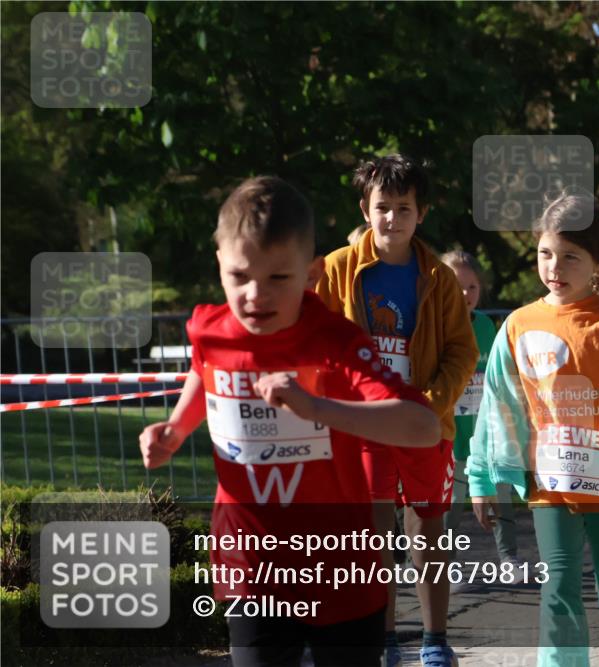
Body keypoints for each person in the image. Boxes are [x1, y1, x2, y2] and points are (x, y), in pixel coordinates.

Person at [138, 175, 441, 667]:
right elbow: (205, 367)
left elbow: (423, 427)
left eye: (278, 278)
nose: (255, 294)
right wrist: (175, 429)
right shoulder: (209, 328)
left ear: (311, 273)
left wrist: (317, 408)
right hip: (250, 565)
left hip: (339, 569)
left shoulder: (337, 342)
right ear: (220, 265)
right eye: (239, 276)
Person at [467, 193, 599, 667]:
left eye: (570, 257)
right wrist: (481, 480)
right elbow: (497, 408)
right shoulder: (518, 326)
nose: (554, 267)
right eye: (545, 253)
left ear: (596, 260)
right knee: (558, 593)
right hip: (551, 490)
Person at [314, 155, 478, 667]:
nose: (392, 218)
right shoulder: (336, 268)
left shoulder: (439, 277)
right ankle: (381, 641)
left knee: (427, 528)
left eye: (404, 208)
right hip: (362, 424)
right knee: (371, 534)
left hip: (423, 424)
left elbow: (462, 350)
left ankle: (435, 640)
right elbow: (313, 336)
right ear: (365, 210)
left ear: (421, 213)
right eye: (382, 207)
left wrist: (430, 405)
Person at [439, 250, 521, 571]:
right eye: (456, 286)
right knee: (451, 503)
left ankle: (509, 558)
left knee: (501, 492)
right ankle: (447, 564)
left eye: (472, 287)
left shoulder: (487, 326)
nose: (465, 294)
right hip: (451, 432)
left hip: (487, 431)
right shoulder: (436, 327)